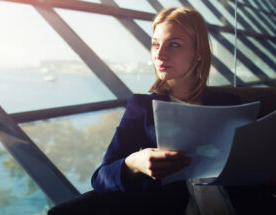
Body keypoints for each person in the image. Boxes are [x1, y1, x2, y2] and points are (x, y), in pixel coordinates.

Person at [48, 7, 241, 215]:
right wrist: (134, 163)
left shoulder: (230, 104)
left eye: (174, 44)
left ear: (200, 53)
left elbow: (254, 168)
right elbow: (100, 177)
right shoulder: (142, 108)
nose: (159, 54)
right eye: (155, 44)